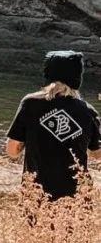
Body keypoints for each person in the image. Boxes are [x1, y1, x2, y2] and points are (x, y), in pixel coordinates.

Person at [6, 50, 101, 201]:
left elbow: (12, 150)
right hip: (77, 200)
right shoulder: (88, 111)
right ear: (78, 78)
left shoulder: (30, 103)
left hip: (36, 196)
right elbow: (97, 155)